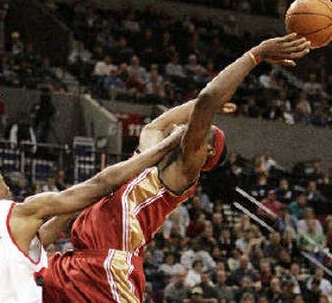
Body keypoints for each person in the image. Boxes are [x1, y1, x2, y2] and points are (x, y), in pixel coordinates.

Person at [42, 34, 310, 302]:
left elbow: (207, 97)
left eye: (200, 129)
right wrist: (195, 108)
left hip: (108, 269)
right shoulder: (145, 159)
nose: (189, 125)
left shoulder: (180, 173)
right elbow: (154, 126)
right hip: (72, 261)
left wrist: (256, 54)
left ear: (205, 152)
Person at [0, 133, 181, 303]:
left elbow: (22, 246)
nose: (8, 190)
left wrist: (70, 210)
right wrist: (167, 145)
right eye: (3, 184)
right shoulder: (14, 211)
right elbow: (101, 184)